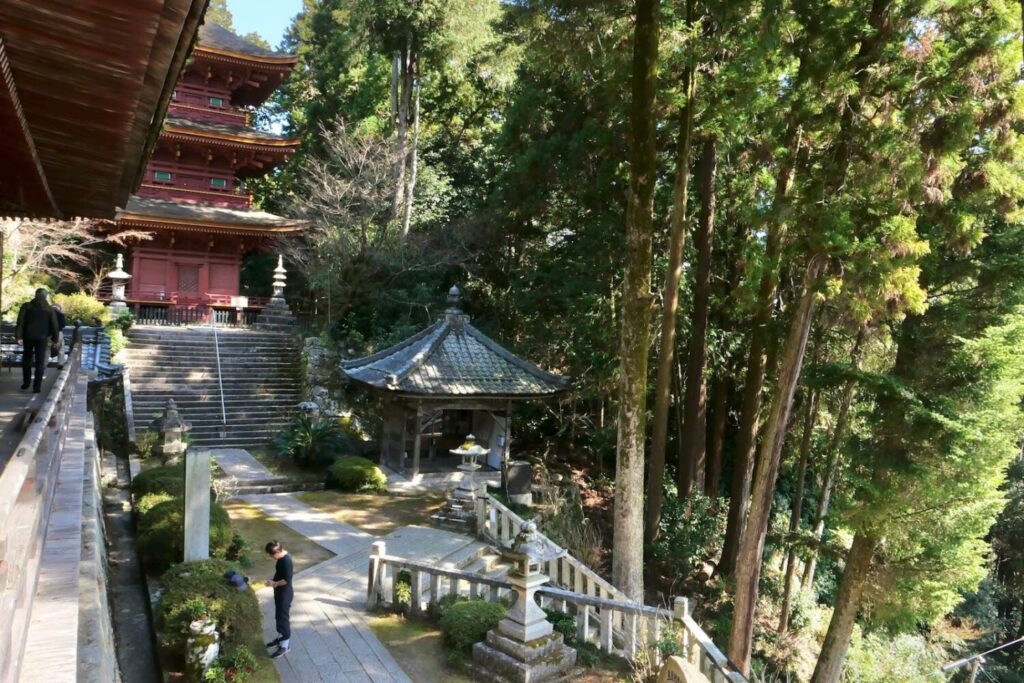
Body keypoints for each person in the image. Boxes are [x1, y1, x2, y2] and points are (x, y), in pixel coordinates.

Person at [15, 289, 59, 393]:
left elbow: (20, 322)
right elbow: (55, 325)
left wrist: (18, 336)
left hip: (28, 337)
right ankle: (37, 387)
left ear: (35, 295)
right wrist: (55, 339)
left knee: (27, 360)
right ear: (45, 296)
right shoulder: (49, 309)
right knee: (40, 362)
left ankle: (26, 383)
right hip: (42, 338)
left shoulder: (26, 306)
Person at [264, 540, 293, 658]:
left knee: (283, 619)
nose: (271, 557)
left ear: (277, 552)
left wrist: (274, 583)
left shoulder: (286, 561)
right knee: (279, 617)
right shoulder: (281, 558)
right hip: (280, 593)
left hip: (284, 594)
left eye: (271, 555)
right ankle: (281, 639)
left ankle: (285, 646)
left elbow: (286, 580)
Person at [52, 303, 67, 368]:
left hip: (48, 333)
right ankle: (60, 363)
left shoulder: (46, 314)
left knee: (46, 349)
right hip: (59, 332)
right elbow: (63, 324)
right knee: (61, 348)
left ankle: (43, 364)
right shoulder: (61, 315)